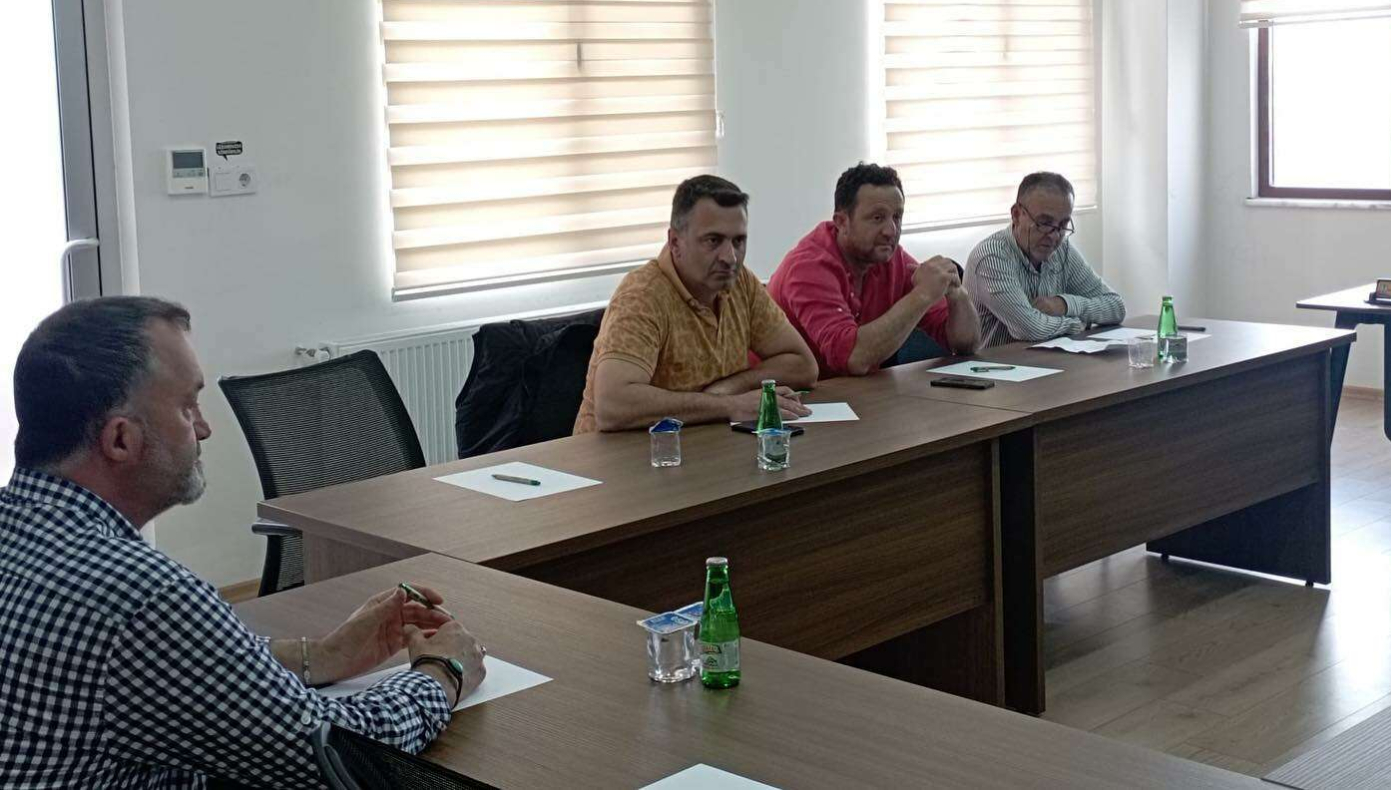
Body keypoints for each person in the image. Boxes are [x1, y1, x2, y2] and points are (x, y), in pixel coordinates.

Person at [0, 297, 486, 789]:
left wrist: (321, 655)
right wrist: (441, 671)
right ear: (120, 439)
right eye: (187, 406)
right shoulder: (140, 596)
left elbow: (180, 670)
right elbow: (336, 754)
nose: (204, 427)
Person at [574, 175, 818, 433]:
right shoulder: (643, 295)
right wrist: (729, 405)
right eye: (713, 240)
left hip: (702, 443)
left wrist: (730, 388)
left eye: (738, 241)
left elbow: (803, 365)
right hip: (619, 453)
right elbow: (613, 406)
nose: (730, 258)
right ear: (675, 243)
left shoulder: (740, 282)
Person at [768, 163, 980, 376]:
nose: (891, 231)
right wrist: (922, 295)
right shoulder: (808, 267)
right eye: (877, 218)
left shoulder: (892, 258)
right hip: (785, 391)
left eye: (897, 217)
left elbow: (965, 344)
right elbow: (854, 358)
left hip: (854, 389)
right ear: (842, 222)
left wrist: (957, 294)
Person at [965, 172, 1125, 347]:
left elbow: (1116, 307)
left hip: (1053, 360)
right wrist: (1077, 324)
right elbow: (1030, 328)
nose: (1054, 236)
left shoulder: (1062, 250)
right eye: (1045, 223)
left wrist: (1065, 305)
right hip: (999, 363)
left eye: (1063, 225)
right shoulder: (991, 256)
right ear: (1016, 215)